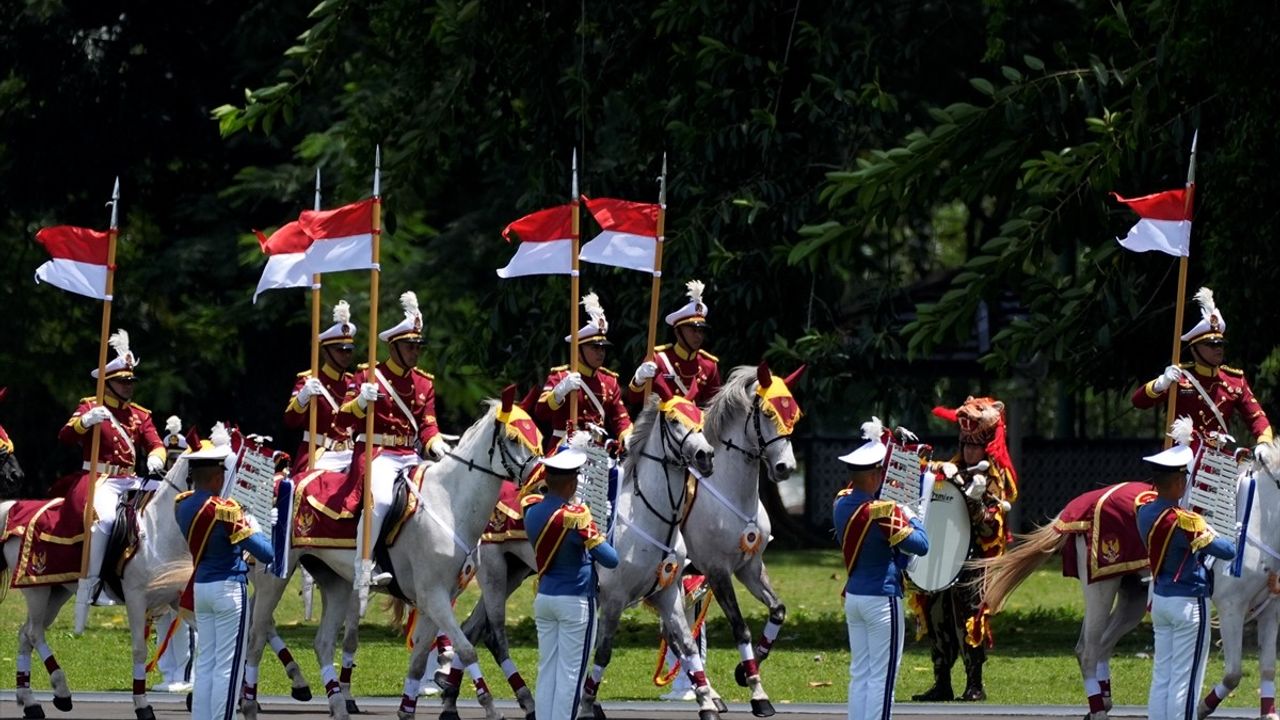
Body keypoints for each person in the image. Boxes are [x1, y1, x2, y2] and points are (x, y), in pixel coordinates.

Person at [337, 291, 449, 590]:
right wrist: (361, 401)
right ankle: (363, 566)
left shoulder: (424, 382)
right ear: (394, 347)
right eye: (410, 347)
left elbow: (427, 424)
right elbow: (342, 420)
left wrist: (436, 443)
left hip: (410, 454)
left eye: (418, 346)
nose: (416, 352)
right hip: (377, 452)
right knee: (381, 500)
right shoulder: (368, 376)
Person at [911, 396, 1018, 702]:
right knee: (936, 618)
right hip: (942, 554)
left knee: (969, 621)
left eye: (975, 447)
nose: (970, 452)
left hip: (975, 561)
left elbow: (991, 528)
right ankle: (941, 681)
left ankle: (975, 684)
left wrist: (975, 501)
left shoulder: (995, 478)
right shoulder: (950, 469)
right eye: (966, 446)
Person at [60, 330, 166, 631]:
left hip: (132, 480)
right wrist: (84, 422)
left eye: (131, 381)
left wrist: (157, 456)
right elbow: (65, 436)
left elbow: (154, 442)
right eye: (122, 381)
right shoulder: (90, 406)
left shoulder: (139, 415)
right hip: (100, 478)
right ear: (107, 382)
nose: (128, 387)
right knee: (104, 521)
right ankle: (91, 583)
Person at [1136, 417, 1236, 720]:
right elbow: (1227, 551)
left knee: (1163, 676)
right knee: (1186, 681)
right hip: (1189, 602)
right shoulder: (1185, 520)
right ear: (1179, 482)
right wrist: (1217, 528)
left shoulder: (1144, 511)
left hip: (1162, 600)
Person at [174, 423, 274, 720]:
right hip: (228, 590)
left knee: (206, 663)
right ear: (218, 477)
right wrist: (256, 523)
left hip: (201, 587)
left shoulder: (182, 505)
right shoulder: (225, 509)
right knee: (228, 667)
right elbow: (266, 554)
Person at [834, 417, 929, 720]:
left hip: (856, 597)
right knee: (883, 678)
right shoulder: (883, 512)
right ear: (876, 475)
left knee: (860, 673)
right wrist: (912, 514)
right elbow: (921, 544)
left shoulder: (841, 504)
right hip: (882, 598)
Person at [522, 447, 618, 720]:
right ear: (572, 482)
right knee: (571, 676)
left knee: (548, 671)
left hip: (545, 599)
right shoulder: (576, 517)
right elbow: (611, 559)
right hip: (576, 602)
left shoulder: (532, 511)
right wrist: (598, 527)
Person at [1132, 287, 1273, 446]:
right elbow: (1138, 401)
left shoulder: (1235, 381)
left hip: (1217, 461)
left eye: (1220, 343)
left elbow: (1256, 416)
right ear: (1194, 349)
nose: (1218, 348)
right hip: (1183, 460)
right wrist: (1160, 383)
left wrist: (1265, 443)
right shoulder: (1180, 377)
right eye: (1211, 344)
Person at [532, 292, 632, 453]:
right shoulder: (560, 377)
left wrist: (627, 435)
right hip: (563, 449)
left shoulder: (609, 381)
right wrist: (559, 392)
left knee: (620, 476)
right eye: (595, 348)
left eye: (603, 348)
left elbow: (620, 418)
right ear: (577, 351)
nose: (601, 353)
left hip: (596, 452)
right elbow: (541, 412)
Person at [284, 300, 358, 474]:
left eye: (349, 350)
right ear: (325, 351)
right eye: (340, 350)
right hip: (320, 454)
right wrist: (303, 396)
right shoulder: (309, 380)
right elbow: (290, 421)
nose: (346, 355)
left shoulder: (353, 382)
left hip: (351, 453)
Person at [628, 280, 723, 409]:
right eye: (693, 330)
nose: (699, 336)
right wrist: (639, 380)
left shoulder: (709, 365)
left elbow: (715, 408)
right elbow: (634, 399)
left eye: (701, 331)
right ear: (678, 332)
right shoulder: (659, 359)